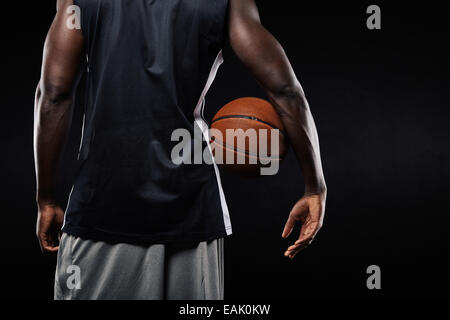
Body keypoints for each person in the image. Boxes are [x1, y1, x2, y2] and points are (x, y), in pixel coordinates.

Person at [34, 0, 327, 300]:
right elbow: (286, 89)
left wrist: (46, 198)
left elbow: (54, 93)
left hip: (102, 204)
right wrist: (314, 186)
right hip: (192, 211)